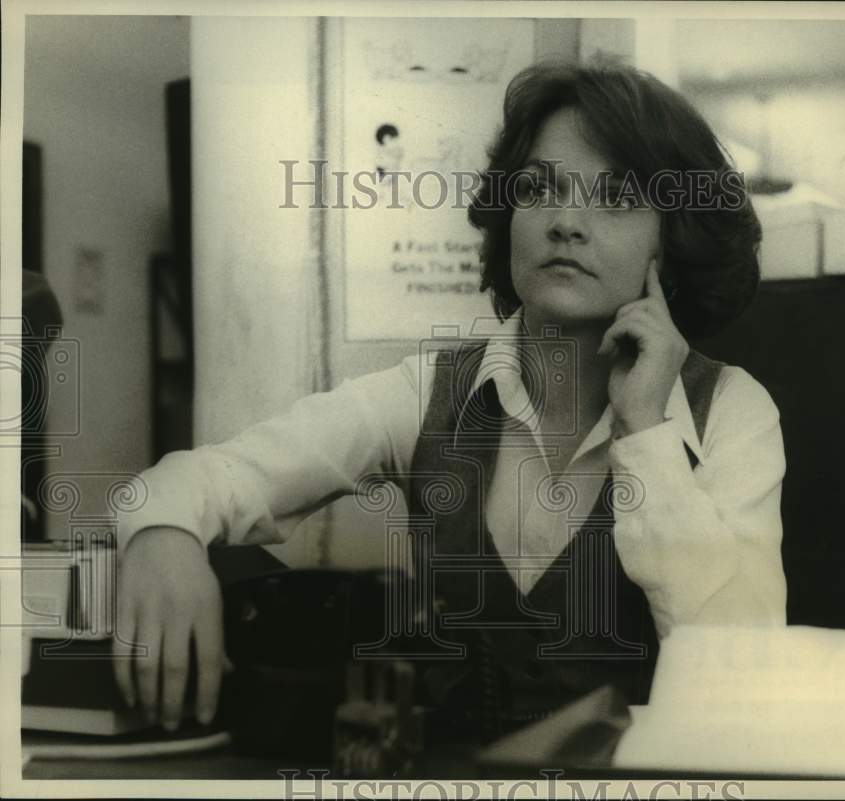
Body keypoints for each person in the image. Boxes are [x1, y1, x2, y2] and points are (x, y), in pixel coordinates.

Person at [113, 60, 786, 737]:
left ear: (672, 241)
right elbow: (214, 476)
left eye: (615, 197)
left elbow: (745, 674)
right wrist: (162, 532)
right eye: (539, 187)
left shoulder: (732, 410)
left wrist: (645, 430)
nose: (565, 222)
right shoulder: (428, 392)